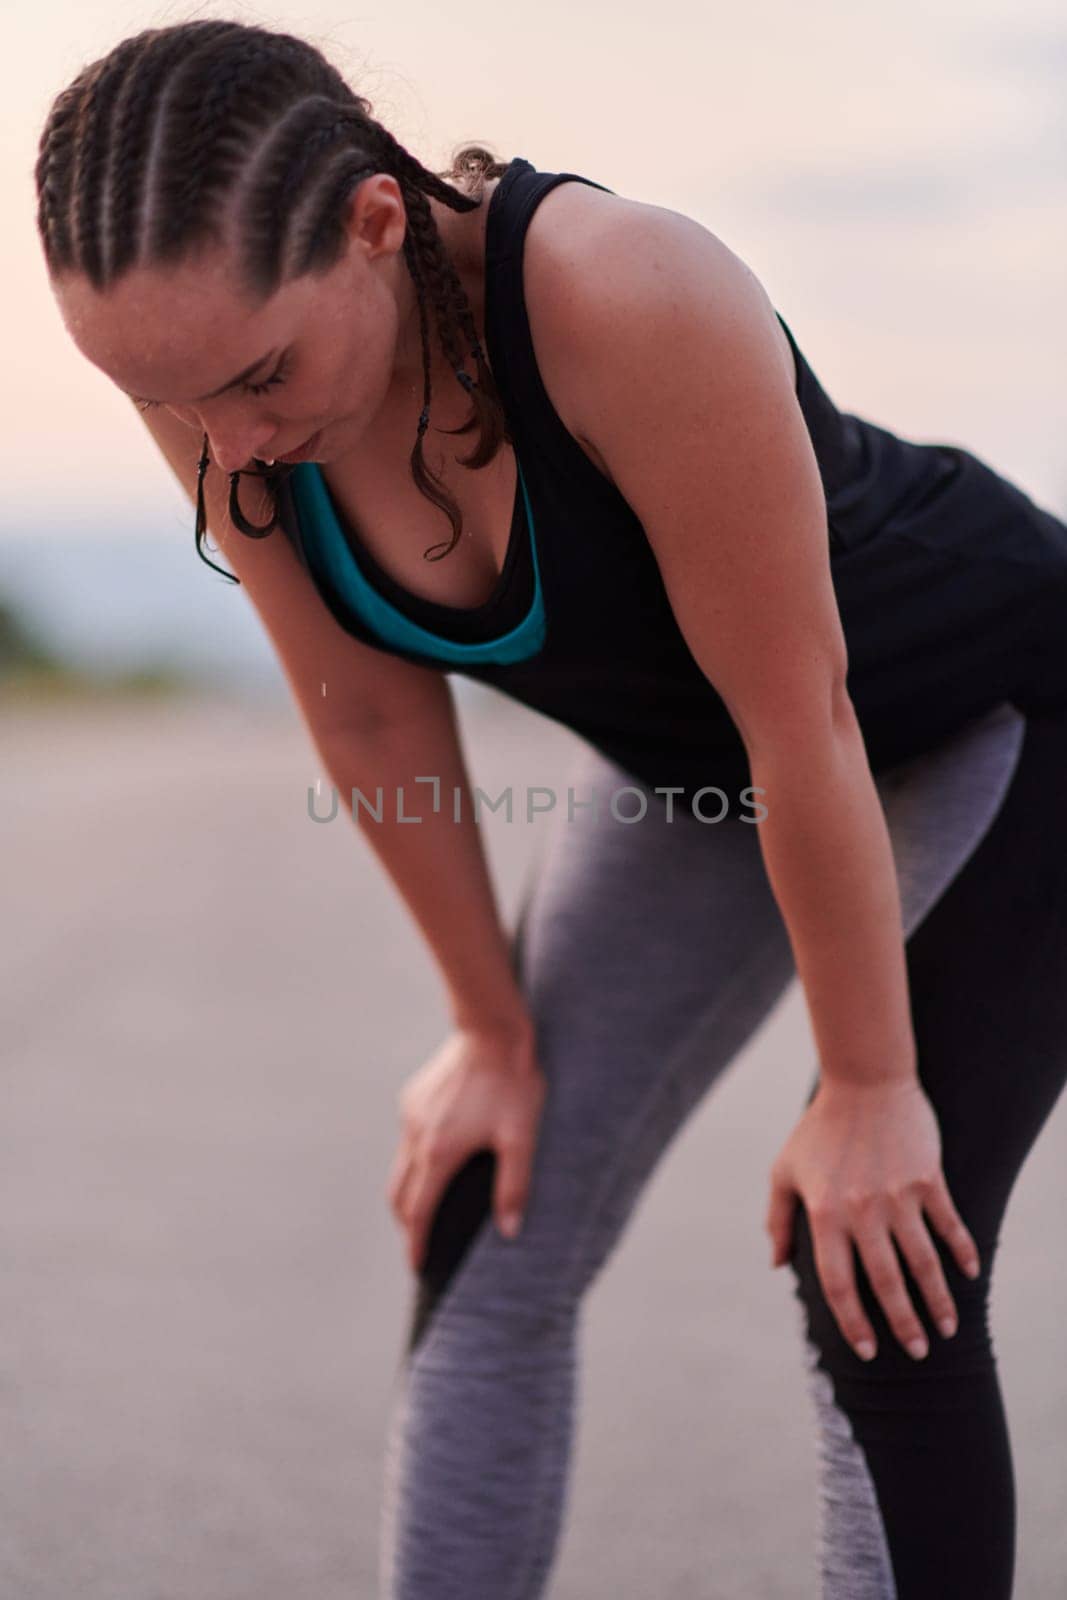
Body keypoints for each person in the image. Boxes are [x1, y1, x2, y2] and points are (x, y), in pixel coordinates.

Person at [35, 18, 1067, 1599]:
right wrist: (489, 1034)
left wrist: (867, 1084)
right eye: (169, 398)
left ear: (376, 222)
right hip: (718, 772)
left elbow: (803, 721)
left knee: (884, 1268)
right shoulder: (213, 370)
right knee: (486, 1205)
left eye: (256, 380)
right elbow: (372, 706)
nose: (224, 445)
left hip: (990, 715)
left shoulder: (626, 294)